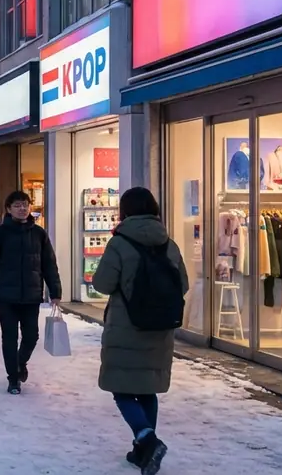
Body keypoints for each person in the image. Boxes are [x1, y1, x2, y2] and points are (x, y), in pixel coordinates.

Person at [94, 187, 188, 474]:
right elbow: (181, 283)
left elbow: (102, 284)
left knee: (120, 388)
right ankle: (141, 451)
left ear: (125, 211)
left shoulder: (119, 243)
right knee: (147, 389)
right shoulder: (167, 243)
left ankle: (147, 439)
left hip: (127, 325)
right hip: (160, 326)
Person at [0, 190, 62, 395]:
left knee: (32, 336)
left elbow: (49, 264)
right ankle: (13, 379)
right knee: (9, 337)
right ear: (8, 209)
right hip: (6, 295)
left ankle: (19, 362)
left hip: (32, 295)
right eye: (17, 205)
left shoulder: (39, 233)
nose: (22, 209)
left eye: (25, 204)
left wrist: (55, 291)